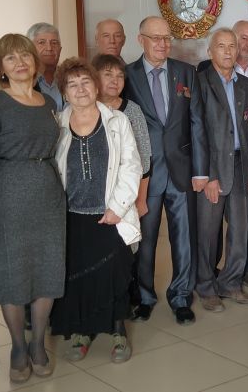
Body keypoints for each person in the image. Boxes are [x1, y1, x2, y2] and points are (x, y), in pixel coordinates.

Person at [0, 33, 66, 383]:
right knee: (12, 272)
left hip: (48, 191)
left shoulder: (48, 102)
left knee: (48, 268)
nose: (20, 62)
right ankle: (18, 347)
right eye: (11, 58)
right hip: (8, 193)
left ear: (35, 62)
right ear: (1, 68)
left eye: (25, 55)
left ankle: (38, 344)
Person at [51, 58, 141, 363]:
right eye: (72, 84)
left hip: (109, 214)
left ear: (96, 85)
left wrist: (118, 207)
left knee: (114, 274)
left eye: (85, 82)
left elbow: (131, 165)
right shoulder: (56, 124)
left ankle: (118, 332)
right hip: (71, 214)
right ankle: (81, 331)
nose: (80, 89)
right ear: (64, 92)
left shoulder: (117, 121)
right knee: (77, 276)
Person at [123, 16, 207, 325]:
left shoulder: (186, 72)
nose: (162, 44)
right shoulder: (127, 75)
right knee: (145, 240)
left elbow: (197, 123)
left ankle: (181, 296)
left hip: (181, 170)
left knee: (183, 237)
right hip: (146, 174)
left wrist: (200, 171)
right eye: (155, 38)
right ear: (140, 40)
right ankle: (144, 296)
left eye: (167, 38)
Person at [196, 20, 248, 290]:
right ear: (210, 51)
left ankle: (231, 283)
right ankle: (206, 286)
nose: (228, 51)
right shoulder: (200, 82)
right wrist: (207, 175)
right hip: (214, 167)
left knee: (240, 231)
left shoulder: (247, 85)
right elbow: (197, 133)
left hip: (243, 165)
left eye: (232, 46)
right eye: (221, 46)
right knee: (208, 232)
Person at [92, 53, 152, 309]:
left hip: (126, 194)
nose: (115, 81)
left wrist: (141, 199)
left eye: (119, 76)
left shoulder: (132, 111)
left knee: (125, 249)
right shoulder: (85, 108)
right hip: (94, 196)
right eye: (108, 74)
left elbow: (144, 159)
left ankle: (125, 302)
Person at [27, 22, 65, 111]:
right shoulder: (17, 80)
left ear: (60, 49)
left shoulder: (68, 77)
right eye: (41, 42)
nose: (49, 48)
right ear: (29, 48)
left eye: (54, 43)